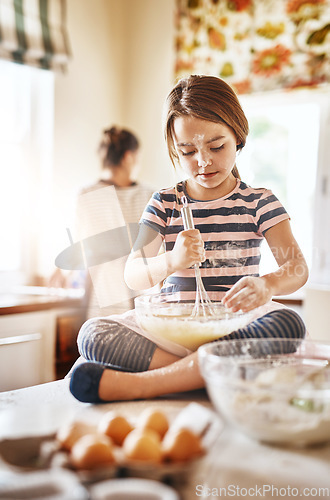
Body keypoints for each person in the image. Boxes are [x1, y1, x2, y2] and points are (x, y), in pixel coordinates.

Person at [69, 75, 308, 403]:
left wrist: (268, 285)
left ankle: (147, 384)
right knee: (93, 334)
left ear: (238, 137)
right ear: (174, 149)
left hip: (233, 328)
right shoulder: (164, 202)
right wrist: (171, 261)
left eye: (217, 146)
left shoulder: (260, 202)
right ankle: (209, 376)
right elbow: (133, 274)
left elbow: (296, 268)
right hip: (171, 329)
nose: (204, 161)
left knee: (288, 322)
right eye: (187, 151)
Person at [51, 126, 154, 319]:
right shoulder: (149, 195)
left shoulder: (86, 194)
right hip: (120, 290)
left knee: (106, 342)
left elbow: (75, 242)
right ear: (128, 157)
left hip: (121, 291)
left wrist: (60, 272)